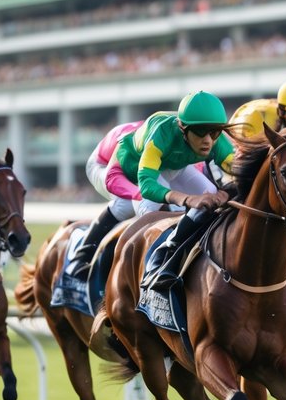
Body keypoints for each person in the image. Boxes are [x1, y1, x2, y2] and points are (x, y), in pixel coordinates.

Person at [101, 91, 237, 293]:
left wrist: (229, 189)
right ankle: (156, 264)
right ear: (183, 128)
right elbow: (146, 186)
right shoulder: (161, 133)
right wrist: (187, 199)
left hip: (174, 165)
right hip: (135, 164)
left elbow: (240, 170)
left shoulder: (216, 141)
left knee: (210, 193)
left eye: (215, 132)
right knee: (150, 208)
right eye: (201, 132)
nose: (208, 140)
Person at [62, 119, 143, 279]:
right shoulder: (132, 141)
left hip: (136, 164)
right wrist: (138, 195)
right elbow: (114, 179)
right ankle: (82, 256)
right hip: (104, 165)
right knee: (126, 204)